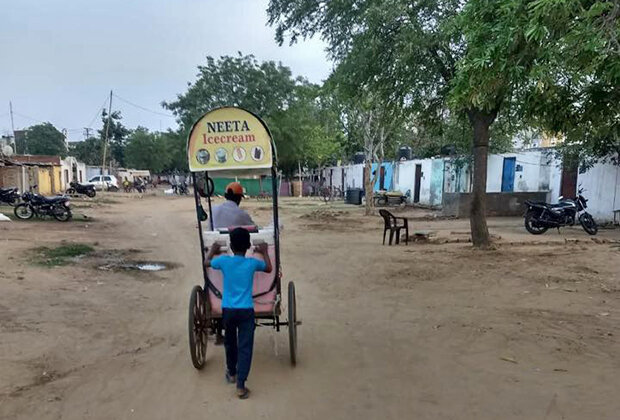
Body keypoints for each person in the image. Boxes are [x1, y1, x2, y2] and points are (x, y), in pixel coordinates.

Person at [205, 228, 272, 399]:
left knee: (230, 342)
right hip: (246, 311)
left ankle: (232, 373)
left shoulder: (224, 261)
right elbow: (269, 268)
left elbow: (206, 263)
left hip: (228, 310)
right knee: (245, 346)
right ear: (249, 245)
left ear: (231, 246)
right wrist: (264, 251)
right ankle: (241, 386)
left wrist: (212, 251)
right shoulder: (252, 264)